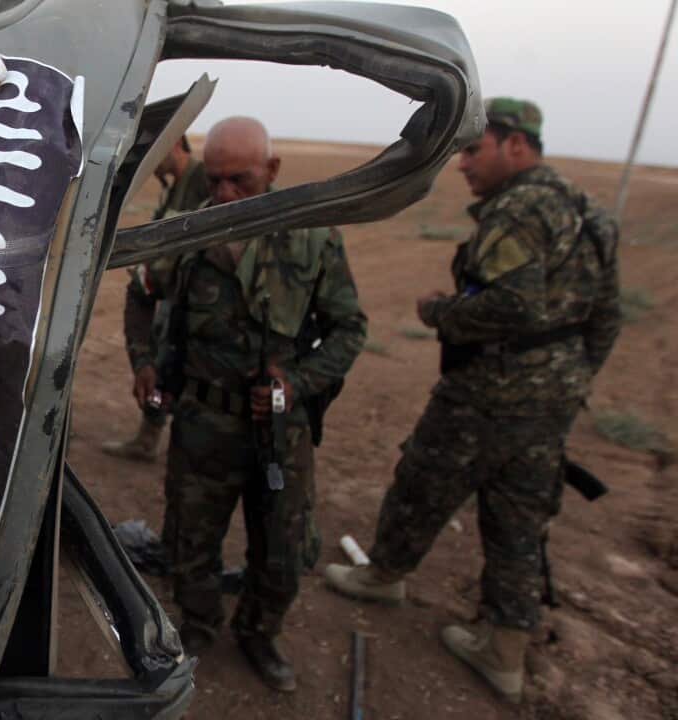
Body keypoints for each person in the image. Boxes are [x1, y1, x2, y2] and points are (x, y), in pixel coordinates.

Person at [323, 98, 622, 703]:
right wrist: (568, 377)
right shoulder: (588, 210)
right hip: (553, 400)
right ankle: (505, 652)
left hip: (489, 394)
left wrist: (440, 312)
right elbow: (607, 316)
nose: (461, 163)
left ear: (515, 144)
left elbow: (512, 304)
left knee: (424, 479)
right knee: (520, 517)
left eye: (472, 148)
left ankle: (384, 576)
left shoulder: (518, 208)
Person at [126, 117, 366, 690]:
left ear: (273, 171)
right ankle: (200, 626)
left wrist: (297, 382)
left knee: (281, 549)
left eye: (241, 180)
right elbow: (140, 293)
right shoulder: (189, 232)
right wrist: (143, 360)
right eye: (216, 181)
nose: (226, 194)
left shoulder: (313, 237)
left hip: (279, 431)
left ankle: (259, 633)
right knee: (190, 540)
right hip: (201, 422)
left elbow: (348, 329)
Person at [102, 136, 209, 462]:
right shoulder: (173, 187)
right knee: (159, 362)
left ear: (175, 144)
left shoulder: (202, 179)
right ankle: (149, 435)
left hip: (194, 295)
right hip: (168, 291)